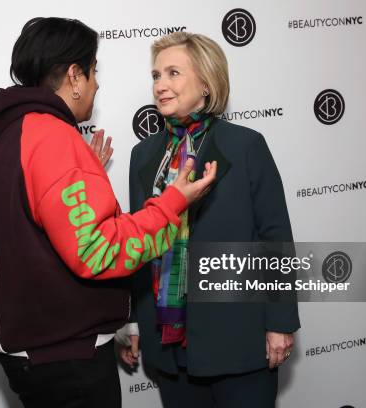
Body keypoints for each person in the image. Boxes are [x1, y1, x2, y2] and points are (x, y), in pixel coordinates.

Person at [0, 18, 217, 408]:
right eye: (93, 71)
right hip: (65, 357)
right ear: (74, 76)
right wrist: (172, 203)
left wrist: (83, 180)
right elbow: (97, 252)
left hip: (39, 353)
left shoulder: (14, 133)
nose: (97, 83)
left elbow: (37, 222)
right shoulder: (51, 136)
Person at [120, 32, 300, 408]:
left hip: (238, 337)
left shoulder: (245, 145)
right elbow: (138, 242)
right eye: (156, 75)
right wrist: (135, 319)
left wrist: (280, 322)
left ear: (206, 82)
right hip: (169, 343)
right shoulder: (143, 155)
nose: (160, 85)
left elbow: (275, 238)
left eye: (173, 73)